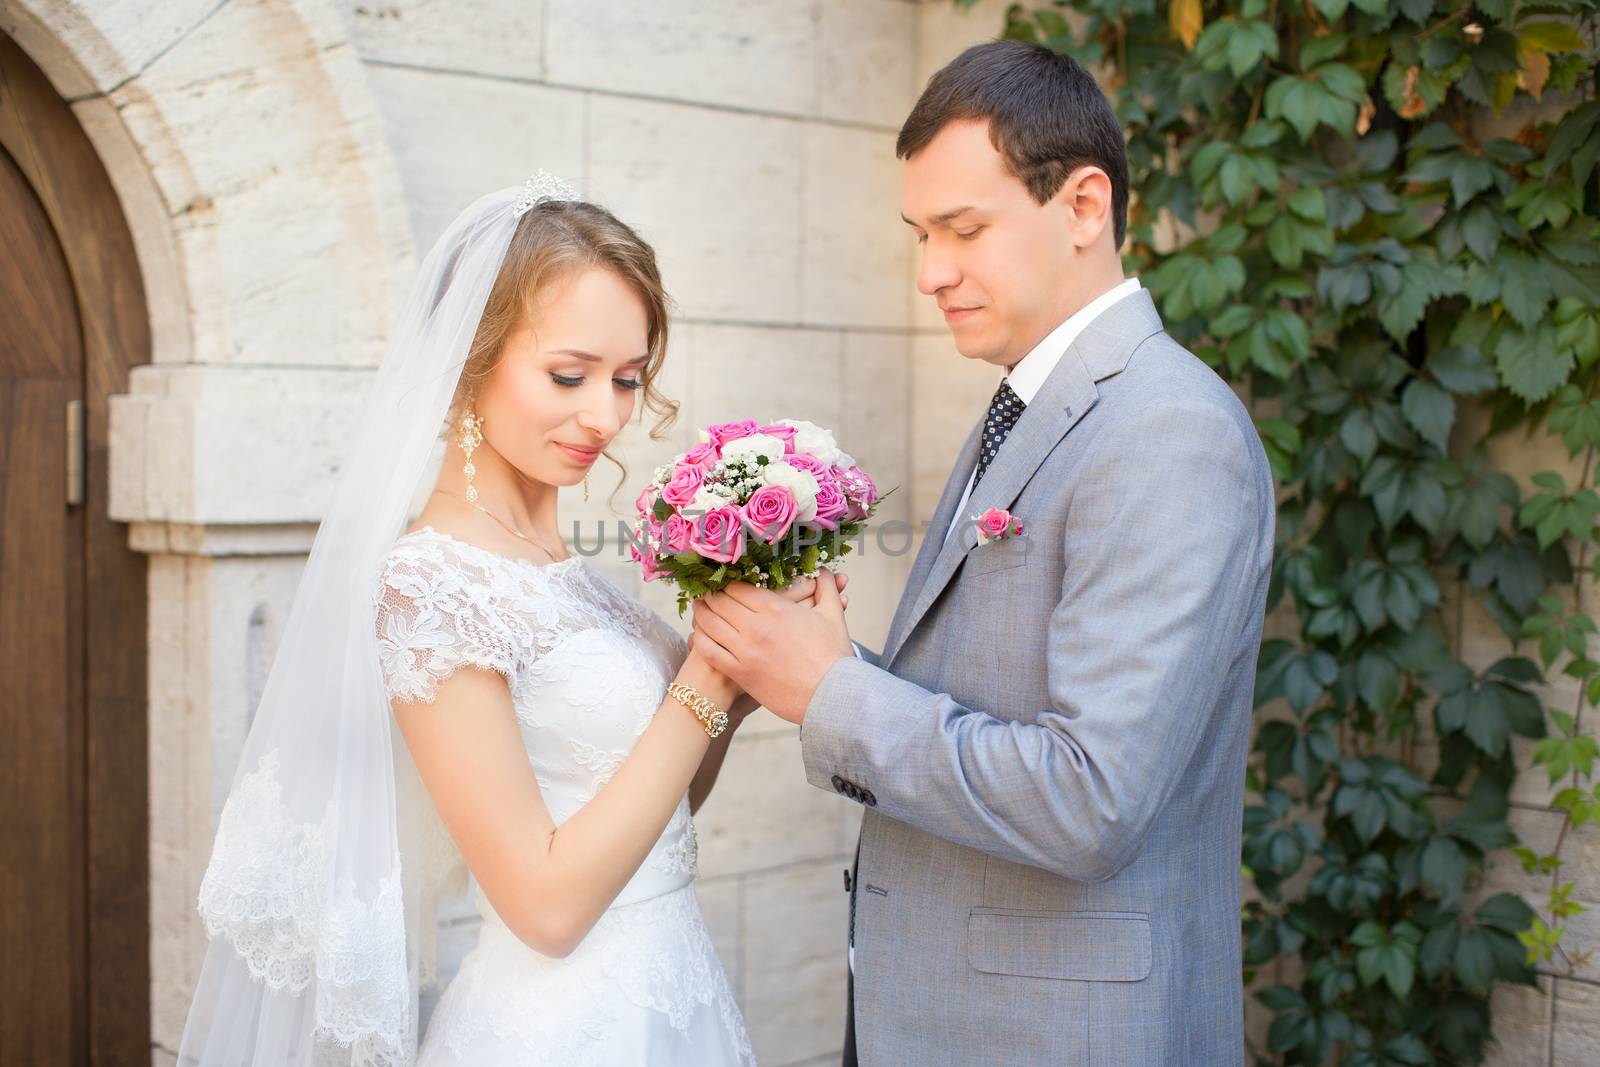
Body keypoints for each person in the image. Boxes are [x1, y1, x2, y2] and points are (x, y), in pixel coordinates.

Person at [690, 41, 1275, 1066]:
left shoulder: (1165, 430)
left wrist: (833, 693)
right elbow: (988, 703)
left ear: (1084, 206)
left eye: (963, 229)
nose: (930, 272)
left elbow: (1087, 795)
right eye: (920, 234)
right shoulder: (1028, 401)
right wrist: (805, 666)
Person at [178, 173, 827, 1065]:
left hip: (671, 995)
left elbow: (657, 806)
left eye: (628, 379)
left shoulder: (576, 575)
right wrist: (702, 682)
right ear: (471, 361)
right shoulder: (428, 586)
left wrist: (734, 683)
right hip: (557, 1028)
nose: (605, 415)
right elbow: (546, 906)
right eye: (569, 374)